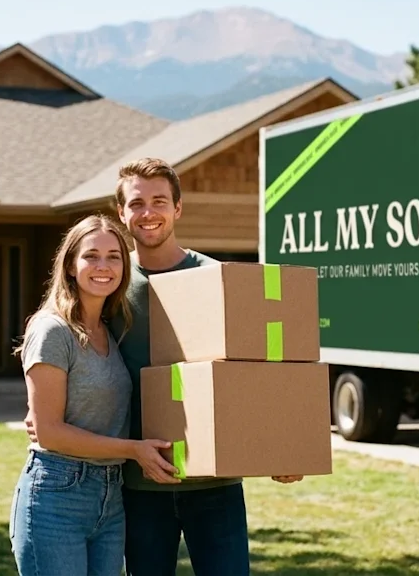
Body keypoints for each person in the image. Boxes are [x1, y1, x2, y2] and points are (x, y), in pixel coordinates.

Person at [110, 157, 303, 576]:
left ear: (178, 208)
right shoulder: (111, 282)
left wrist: (283, 446)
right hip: (141, 483)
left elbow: (262, 370)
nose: (148, 213)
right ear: (121, 212)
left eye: (159, 201)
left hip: (216, 485)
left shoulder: (216, 278)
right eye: (137, 203)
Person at [9, 213, 179, 576]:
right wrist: (134, 450)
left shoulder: (112, 329)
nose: (103, 266)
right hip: (57, 495)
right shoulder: (53, 330)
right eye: (91, 256)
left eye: (114, 256)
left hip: (110, 498)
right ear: (71, 265)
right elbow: (50, 433)